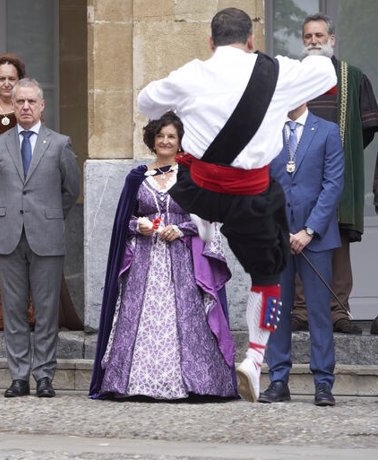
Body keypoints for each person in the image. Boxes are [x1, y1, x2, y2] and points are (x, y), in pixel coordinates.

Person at [137, 7, 337, 402]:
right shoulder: (275, 72)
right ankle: (256, 357)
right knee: (270, 279)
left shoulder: (192, 73)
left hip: (201, 190)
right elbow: (326, 72)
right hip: (252, 196)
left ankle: (208, 227)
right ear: (251, 41)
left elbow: (147, 101)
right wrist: (319, 46)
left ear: (210, 42)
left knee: (188, 186)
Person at [89, 112, 236, 400]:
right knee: (139, 320)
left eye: (172, 136)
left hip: (183, 263)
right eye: (161, 136)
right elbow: (124, 222)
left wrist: (181, 229)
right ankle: (134, 384)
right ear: (153, 141)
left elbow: (209, 218)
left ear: (180, 142)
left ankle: (195, 384)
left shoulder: (192, 176)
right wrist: (139, 225)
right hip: (145, 262)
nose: (166, 141)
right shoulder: (137, 178)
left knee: (187, 319)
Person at [0, 53, 83, 331]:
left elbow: (65, 184)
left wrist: (45, 210)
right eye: (2, 78)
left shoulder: (30, 115)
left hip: (37, 214)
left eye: (12, 79)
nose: (6, 84)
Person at [0, 78, 81, 398]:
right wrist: (12, 212)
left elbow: (71, 190)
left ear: (42, 106)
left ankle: (44, 375)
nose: (25, 107)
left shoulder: (60, 143)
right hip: (10, 234)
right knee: (13, 310)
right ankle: (19, 376)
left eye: (31, 102)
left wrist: (49, 214)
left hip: (46, 234)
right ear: (12, 105)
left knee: (46, 308)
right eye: (20, 101)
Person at [292, 14, 378, 335]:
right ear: (303, 41)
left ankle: (338, 311)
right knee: (300, 242)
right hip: (299, 177)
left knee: (339, 242)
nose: (313, 41)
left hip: (339, 175)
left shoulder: (353, 78)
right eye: (308, 36)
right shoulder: (293, 78)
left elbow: (367, 130)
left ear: (332, 39)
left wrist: (339, 159)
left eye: (319, 35)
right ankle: (300, 311)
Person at [261, 103, 344, 406]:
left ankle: (323, 383)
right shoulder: (269, 131)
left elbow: (333, 184)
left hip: (316, 238)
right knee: (276, 313)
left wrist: (309, 230)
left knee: (319, 313)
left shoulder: (327, 131)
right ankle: (278, 380)